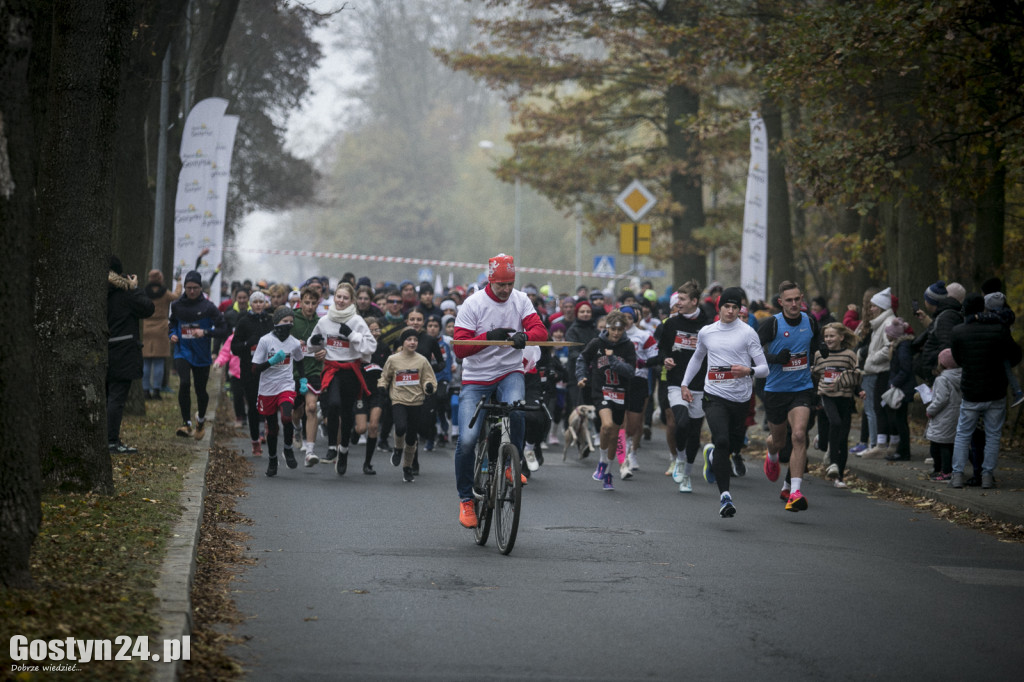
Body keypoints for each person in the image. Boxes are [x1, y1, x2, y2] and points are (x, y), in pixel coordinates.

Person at [451, 254, 549, 528]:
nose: (506, 290)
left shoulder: (521, 300)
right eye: (501, 285)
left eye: (510, 283)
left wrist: (525, 337)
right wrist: (488, 338)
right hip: (476, 377)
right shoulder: (473, 304)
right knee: (468, 440)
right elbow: (460, 348)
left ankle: (510, 467)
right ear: (490, 280)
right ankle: (466, 500)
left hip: (509, 372)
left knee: (517, 410)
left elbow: (541, 331)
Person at [679, 287, 768, 517]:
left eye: (735, 307)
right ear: (719, 308)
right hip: (714, 395)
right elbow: (697, 357)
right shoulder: (707, 332)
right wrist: (685, 384)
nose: (730, 311)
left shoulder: (748, 333)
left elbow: (764, 368)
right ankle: (725, 497)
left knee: (733, 445)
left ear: (740, 309)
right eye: (727, 306)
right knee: (721, 439)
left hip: (740, 398)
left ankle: (711, 456)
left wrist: (748, 370)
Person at [759, 281, 824, 511]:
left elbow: (815, 341)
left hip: (801, 388)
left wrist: (821, 349)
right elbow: (754, 351)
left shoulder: (810, 320)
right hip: (776, 391)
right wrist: (776, 358)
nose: (794, 304)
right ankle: (772, 453)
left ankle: (795, 491)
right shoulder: (771, 324)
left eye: (797, 299)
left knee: (799, 435)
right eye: (789, 300)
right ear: (781, 302)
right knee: (779, 440)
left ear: (802, 298)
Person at [949, 293, 1023, 489]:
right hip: (995, 390)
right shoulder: (999, 330)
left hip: (971, 390)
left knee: (963, 433)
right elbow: (1015, 355)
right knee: (993, 435)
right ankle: (987, 475)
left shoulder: (958, 332)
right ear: (983, 308)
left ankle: (956, 475)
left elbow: (958, 359)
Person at [308, 282, 378, 474]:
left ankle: (344, 450)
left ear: (351, 300)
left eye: (345, 298)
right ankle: (332, 447)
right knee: (333, 405)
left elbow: (370, 348)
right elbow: (313, 345)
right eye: (338, 296)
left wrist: (353, 335)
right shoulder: (324, 321)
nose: (341, 301)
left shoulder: (357, 321)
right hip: (332, 370)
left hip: (351, 371)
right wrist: (314, 343)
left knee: (347, 413)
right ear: (334, 297)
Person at [657, 281, 711, 493]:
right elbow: (661, 350)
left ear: (694, 301)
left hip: (700, 384)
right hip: (676, 383)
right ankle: (679, 459)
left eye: (681, 299)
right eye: (677, 299)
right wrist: (666, 359)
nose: (677, 303)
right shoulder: (670, 324)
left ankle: (687, 474)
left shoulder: (707, 326)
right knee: (681, 422)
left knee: (695, 432)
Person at [576, 311, 637, 491]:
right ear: (607, 328)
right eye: (613, 329)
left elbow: (630, 371)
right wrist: (581, 376)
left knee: (614, 435)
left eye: (620, 329)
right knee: (607, 425)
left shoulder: (628, 347)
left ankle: (609, 473)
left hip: (620, 393)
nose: (616, 333)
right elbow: (582, 359)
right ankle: (602, 462)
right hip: (601, 391)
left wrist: (612, 360)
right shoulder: (597, 343)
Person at [168, 270, 227, 439]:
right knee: (185, 383)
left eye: (195, 288)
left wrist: (205, 332)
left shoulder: (208, 307)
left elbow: (223, 329)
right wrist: (171, 334)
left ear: (201, 288)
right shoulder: (177, 305)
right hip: (183, 351)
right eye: (188, 288)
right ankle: (186, 424)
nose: (191, 291)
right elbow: (171, 323)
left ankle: (200, 421)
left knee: (201, 390)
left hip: (201, 355)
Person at [106, 256, 155, 453]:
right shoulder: (125, 293)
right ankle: (111, 440)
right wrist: (134, 288)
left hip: (103, 350)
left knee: (106, 397)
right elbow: (147, 308)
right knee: (116, 399)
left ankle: (106, 438)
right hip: (123, 352)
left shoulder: (94, 291)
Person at [252, 306, 306, 477]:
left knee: (286, 416)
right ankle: (273, 459)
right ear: (276, 322)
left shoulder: (295, 342)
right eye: (285, 321)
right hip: (267, 388)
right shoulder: (265, 341)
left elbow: (299, 361)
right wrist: (272, 361)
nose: (288, 324)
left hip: (286, 386)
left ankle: (288, 448)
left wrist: (303, 380)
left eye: (291, 322)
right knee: (273, 428)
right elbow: (255, 369)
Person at [379, 328, 437, 482]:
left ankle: (407, 467)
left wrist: (429, 387)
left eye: (415, 340)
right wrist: (382, 386)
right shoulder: (393, 359)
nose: (412, 342)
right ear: (402, 342)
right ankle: (398, 449)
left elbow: (429, 379)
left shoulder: (422, 360)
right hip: (398, 400)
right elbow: (385, 377)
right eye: (409, 340)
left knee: (411, 438)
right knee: (400, 427)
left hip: (416, 401)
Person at [811, 322, 862, 487]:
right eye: (826, 336)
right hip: (826, 397)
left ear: (841, 337)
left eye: (832, 336)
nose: (828, 339)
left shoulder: (849, 355)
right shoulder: (820, 354)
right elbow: (816, 376)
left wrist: (859, 391)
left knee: (842, 438)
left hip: (845, 399)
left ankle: (839, 477)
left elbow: (855, 376)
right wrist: (815, 400)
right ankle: (831, 458)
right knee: (835, 423)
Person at [231, 291, 273, 456]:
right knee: (254, 406)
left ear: (264, 304)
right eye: (254, 302)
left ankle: (267, 431)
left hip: (269, 370)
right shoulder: (243, 322)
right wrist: (249, 344)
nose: (258, 305)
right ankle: (255, 440)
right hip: (249, 371)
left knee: (269, 405)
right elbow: (234, 348)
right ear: (250, 304)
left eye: (260, 302)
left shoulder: (270, 321)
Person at [619, 305, 658, 479]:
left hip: (638, 381)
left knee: (634, 424)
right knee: (621, 422)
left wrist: (643, 363)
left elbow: (655, 357)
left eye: (629, 317)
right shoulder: (613, 335)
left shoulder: (644, 336)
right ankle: (623, 458)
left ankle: (630, 450)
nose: (626, 320)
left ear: (634, 318)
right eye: (622, 317)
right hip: (618, 382)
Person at [859, 287, 896, 457]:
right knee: (873, 408)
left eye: (873, 306)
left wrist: (871, 359)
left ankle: (877, 444)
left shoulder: (887, 323)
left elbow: (889, 348)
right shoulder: (880, 323)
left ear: (880, 307)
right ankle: (877, 443)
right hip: (875, 370)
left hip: (879, 370)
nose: (870, 309)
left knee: (874, 409)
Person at [291, 286, 324, 466]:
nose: (310, 307)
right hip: (294, 371)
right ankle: (297, 428)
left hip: (313, 370)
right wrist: (295, 344)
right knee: (297, 411)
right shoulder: (292, 320)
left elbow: (329, 345)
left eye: (313, 303)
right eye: (306, 303)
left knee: (311, 407)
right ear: (300, 302)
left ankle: (310, 452)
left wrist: (324, 352)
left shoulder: (322, 323)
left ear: (318, 303)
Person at [911, 281, 962, 385]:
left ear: (931, 301)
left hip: (940, 374)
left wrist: (937, 367)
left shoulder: (945, 318)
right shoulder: (944, 315)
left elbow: (946, 346)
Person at [141, 268, 180, 400]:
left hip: (146, 327)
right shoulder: (165, 293)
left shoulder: (144, 292)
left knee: (146, 362)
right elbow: (176, 296)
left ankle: (146, 390)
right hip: (161, 328)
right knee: (159, 361)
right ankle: (157, 390)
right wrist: (179, 283)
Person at [881, 317, 915, 461]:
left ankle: (904, 452)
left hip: (902, 389)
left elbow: (905, 368)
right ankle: (902, 450)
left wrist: (894, 383)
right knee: (899, 420)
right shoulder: (900, 346)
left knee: (900, 421)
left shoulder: (902, 347)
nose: (886, 335)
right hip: (902, 387)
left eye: (888, 333)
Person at [925, 348, 961, 481]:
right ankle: (946, 470)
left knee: (938, 444)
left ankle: (945, 472)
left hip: (943, 416)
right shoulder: (961, 375)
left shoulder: (942, 379)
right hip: (956, 414)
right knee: (949, 444)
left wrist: (930, 410)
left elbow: (941, 399)